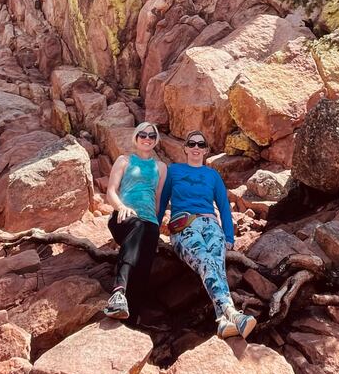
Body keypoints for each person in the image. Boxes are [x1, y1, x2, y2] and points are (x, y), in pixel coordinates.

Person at [158, 129, 257, 340]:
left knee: (215, 264)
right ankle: (232, 313)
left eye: (200, 145)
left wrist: (229, 237)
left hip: (212, 226)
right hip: (185, 225)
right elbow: (162, 202)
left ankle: (222, 322)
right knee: (204, 259)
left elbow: (223, 206)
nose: (195, 148)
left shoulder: (212, 175)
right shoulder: (173, 170)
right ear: (185, 148)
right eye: (191, 144)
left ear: (206, 151)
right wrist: (153, 231)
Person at [104, 121, 167, 323]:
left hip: (149, 221)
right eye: (143, 134)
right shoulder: (124, 160)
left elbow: (157, 200)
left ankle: (131, 318)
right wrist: (121, 207)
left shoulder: (161, 167)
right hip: (124, 217)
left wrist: (156, 225)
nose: (147, 138)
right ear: (136, 137)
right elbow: (111, 192)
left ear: (156, 140)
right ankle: (118, 291)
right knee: (138, 225)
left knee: (145, 262)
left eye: (151, 135)